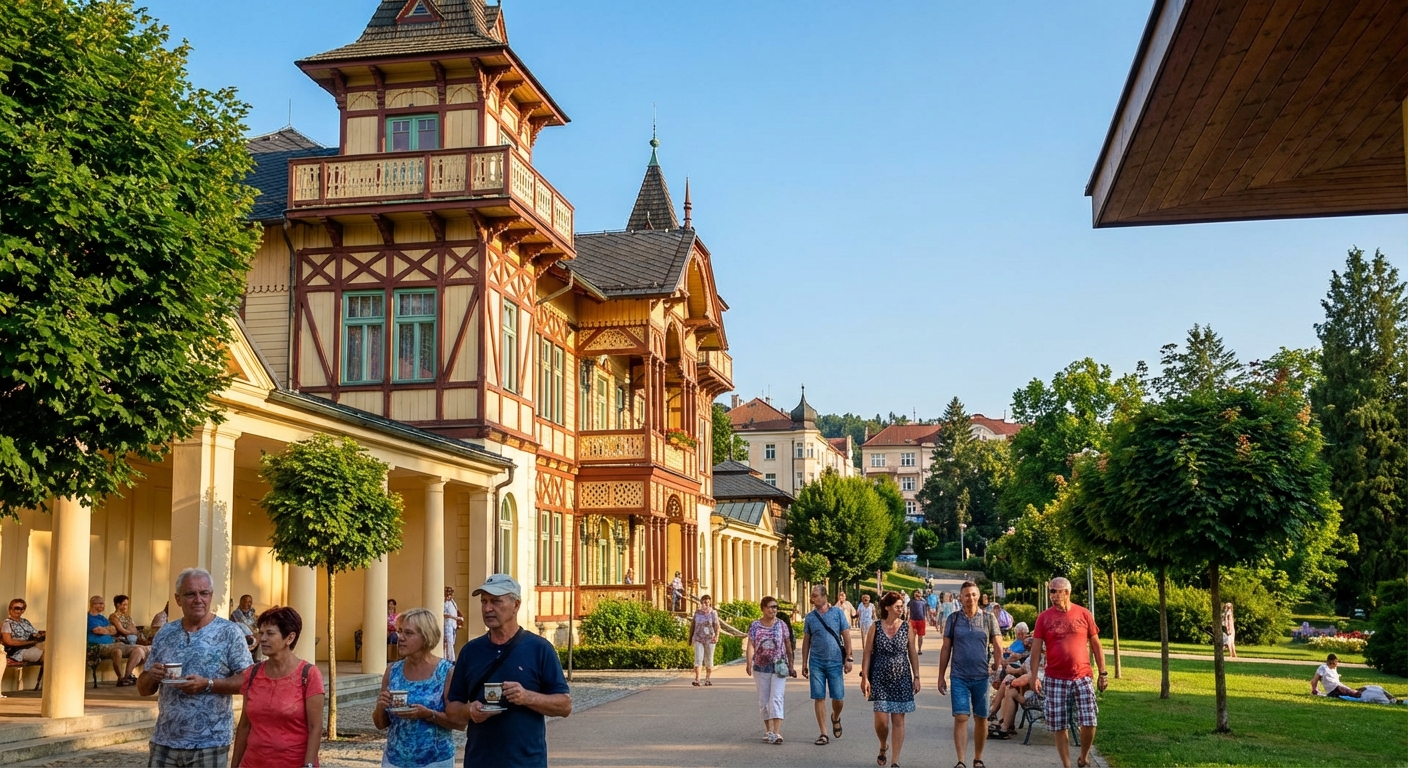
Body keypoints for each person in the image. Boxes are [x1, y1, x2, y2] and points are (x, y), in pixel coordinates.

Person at [446, 574, 571, 767]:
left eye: (496, 601)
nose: (487, 608)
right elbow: (453, 710)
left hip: (526, 762)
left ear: (516, 605)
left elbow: (564, 706)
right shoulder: (470, 651)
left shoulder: (539, 648)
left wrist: (527, 697)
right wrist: (469, 711)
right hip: (479, 761)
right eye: (484, 602)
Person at [137, 568, 254, 767]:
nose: (198, 599)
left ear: (211, 596)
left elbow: (248, 680)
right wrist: (152, 676)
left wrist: (208, 684)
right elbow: (143, 689)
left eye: (204, 593)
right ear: (177, 599)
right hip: (165, 741)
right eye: (190, 594)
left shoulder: (229, 633)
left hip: (210, 742)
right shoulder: (166, 633)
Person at [230, 606, 324, 768]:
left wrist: (308, 765)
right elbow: (244, 725)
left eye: (270, 633)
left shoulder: (309, 674)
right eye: (261, 632)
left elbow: (315, 727)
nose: (263, 638)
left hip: (293, 762)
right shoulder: (252, 674)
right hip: (252, 763)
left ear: (290, 638)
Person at [1030, 576, 1108, 768]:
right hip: (1055, 677)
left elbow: (1096, 646)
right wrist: (1033, 676)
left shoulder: (1083, 614)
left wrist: (1103, 672)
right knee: (1059, 723)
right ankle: (1067, 764)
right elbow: (1035, 649)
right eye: (1051, 591)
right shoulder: (1044, 618)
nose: (1053, 595)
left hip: (1082, 676)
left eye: (1057, 591)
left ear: (1067, 593)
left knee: (1089, 718)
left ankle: (1084, 756)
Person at [376, 607, 460, 768]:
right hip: (394, 760)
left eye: (408, 633)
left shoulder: (446, 671)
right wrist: (381, 706)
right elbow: (380, 724)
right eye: (400, 632)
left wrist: (428, 714)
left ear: (426, 636)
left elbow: (459, 722)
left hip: (434, 761)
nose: (400, 638)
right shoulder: (392, 671)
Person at [937, 581, 1004, 768]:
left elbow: (998, 645)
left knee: (981, 718)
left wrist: (998, 669)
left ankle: (978, 757)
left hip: (981, 676)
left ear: (979, 595)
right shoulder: (953, 619)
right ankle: (960, 760)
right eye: (966, 595)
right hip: (959, 676)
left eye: (973, 594)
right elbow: (946, 648)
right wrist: (941, 675)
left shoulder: (989, 618)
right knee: (961, 716)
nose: (970, 598)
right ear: (961, 597)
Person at [861, 591, 919, 768]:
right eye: (897, 606)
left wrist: (916, 676)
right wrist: (865, 677)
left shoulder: (907, 627)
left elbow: (912, 653)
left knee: (898, 720)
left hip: (901, 677)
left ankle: (895, 760)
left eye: (902, 606)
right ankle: (882, 744)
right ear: (887, 607)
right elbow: (867, 652)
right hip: (879, 677)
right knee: (881, 722)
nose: (901, 609)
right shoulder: (875, 627)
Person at [801, 584, 852, 746]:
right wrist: (804, 662)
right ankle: (823, 733)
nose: (812, 598)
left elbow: (846, 635)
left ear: (824, 596)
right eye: (812, 595)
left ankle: (835, 717)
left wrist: (848, 658)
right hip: (816, 662)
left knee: (838, 697)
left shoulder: (837, 613)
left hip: (835, 661)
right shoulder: (810, 617)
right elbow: (806, 641)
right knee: (819, 697)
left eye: (815, 595)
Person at [745, 595, 796, 745]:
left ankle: (776, 732)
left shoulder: (781, 625)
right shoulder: (755, 625)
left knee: (777, 698)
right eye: (771, 607)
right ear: (763, 608)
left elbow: (787, 644)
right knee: (764, 700)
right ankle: (768, 730)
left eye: (775, 607)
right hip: (760, 667)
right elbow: (750, 644)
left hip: (779, 666)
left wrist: (791, 664)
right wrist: (749, 662)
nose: (774, 610)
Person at [88, 595, 147, 686]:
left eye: (103, 603)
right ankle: (120, 678)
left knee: (138, 649)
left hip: (114, 643)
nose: (103, 605)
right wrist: (108, 630)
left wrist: (106, 630)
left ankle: (127, 676)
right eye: (100, 603)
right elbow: (97, 630)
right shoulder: (88, 618)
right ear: (92, 604)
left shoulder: (102, 618)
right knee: (117, 651)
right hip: (99, 645)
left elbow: (114, 630)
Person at [690, 595, 721, 687]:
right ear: (701, 603)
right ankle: (697, 679)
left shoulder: (713, 613)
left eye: (708, 602)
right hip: (698, 638)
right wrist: (692, 637)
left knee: (709, 660)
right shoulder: (697, 613)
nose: (706, 604)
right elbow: (693, 625)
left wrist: (717, 636)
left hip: (710, 639)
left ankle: (707, 679)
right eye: (704, 602)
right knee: (698, 659)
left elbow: (717, 625)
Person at [2, 599, 44, 663]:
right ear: (10, 609)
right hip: (19, 651)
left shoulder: (25, 621)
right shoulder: (7, 623)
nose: (19, 611)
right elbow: (8, 641)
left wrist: (43, 634)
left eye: (22, 609)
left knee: (54, 650)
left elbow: (35, 632)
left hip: (33, 645)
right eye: (17, 608)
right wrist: (29, 642)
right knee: (47, 656)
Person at [856, 594, 877, 674]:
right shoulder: (860, 605)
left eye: (867, 598)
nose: (866, 600)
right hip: (862, 623)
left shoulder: (872, 605)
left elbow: (874, 614)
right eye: (865, 598)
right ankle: (865, 648)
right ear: (862, 599)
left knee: (870, 636)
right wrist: (856, 618)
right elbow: (858, 613)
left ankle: (870, 647)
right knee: (863, 637)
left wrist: (876, 620)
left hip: (870, 623)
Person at [443, 587, 465, 658]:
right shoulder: (444, 602)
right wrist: (456, 618)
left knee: (452, 642)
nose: (449, 595)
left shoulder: (452, 602)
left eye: (450, 594)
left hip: (453, 625)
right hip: (447, 625)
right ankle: (449, 659)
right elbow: (445, 614)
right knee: (448, 642)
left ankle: (451, 658)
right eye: (448, 593)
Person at [906, 590, 928, 655]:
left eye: (919, 593)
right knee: (912, 636)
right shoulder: (911, 602)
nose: (918, 595)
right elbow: (908, 608)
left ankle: (919, 649)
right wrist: (907, 617)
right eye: (916, 593)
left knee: (920, 636)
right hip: (913, 620)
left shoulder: (923, 602)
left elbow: (926, 609)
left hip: (921, 620)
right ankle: (912, 649)